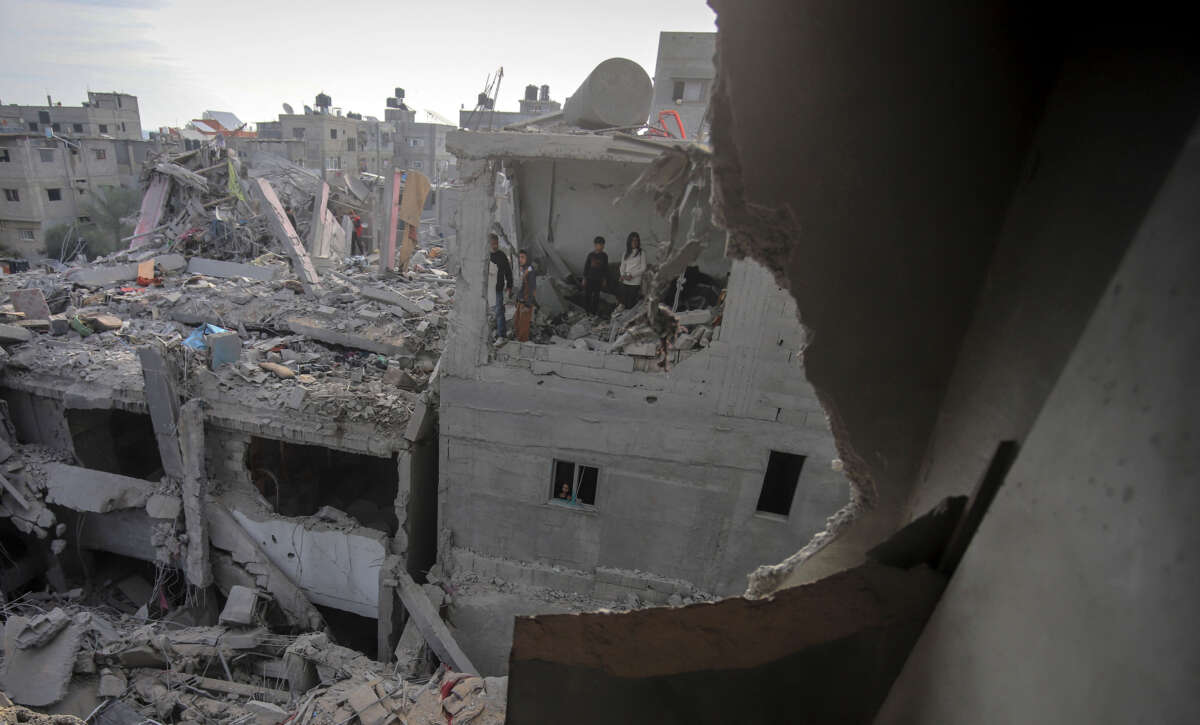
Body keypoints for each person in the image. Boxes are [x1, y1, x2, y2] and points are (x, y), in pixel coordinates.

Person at [488, 233, 513, 344]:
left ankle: (501, 335)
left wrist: (509, 286)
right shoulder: (485, 256)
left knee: (499, 311)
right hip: (486, 290)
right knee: (488, 313)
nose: (495, 246)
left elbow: (508, 272)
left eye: (496, 243)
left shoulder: (501, 256)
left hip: (498, 288)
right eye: (493, 244)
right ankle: (487, 335)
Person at [514, 250, 537, 342]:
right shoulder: (522, 269)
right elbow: (520, 287)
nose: (520, 259)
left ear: (528, 259)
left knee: (523, 326)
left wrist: (528, 304)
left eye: (523, 257)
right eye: (519, 257)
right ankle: (519, 340)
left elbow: (532, 289)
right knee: (517, 323)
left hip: (526, 302)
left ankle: (522, 343)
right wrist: (517, 300)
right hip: (520, 301)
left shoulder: (530, 271)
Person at [619, 231, 646, 309]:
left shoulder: (642, 253)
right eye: (632, 240)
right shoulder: (625, 253)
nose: (634, 242)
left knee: (631, 305)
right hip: (625, 281)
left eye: (636, 240)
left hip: (635, 282)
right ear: (629, 241)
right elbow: (622, 267)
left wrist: (632, 275)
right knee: (623, 304)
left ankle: (630, 320)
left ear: (638, 242)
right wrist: (622, 275)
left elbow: (643, 268)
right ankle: (622, 320)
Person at [582, 236, 609, 314]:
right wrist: (584, 279)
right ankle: (586, 311)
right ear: (595, 245)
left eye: (603, 245)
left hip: (599, 279)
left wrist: (604, 280)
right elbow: (586, 267)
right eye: (600, 244)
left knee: (596, 296)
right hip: (590, 278)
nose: (602, 246)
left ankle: (594, 312)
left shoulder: (604, 256)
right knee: (588, 295)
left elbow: (605, 269)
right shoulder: (590, 255)